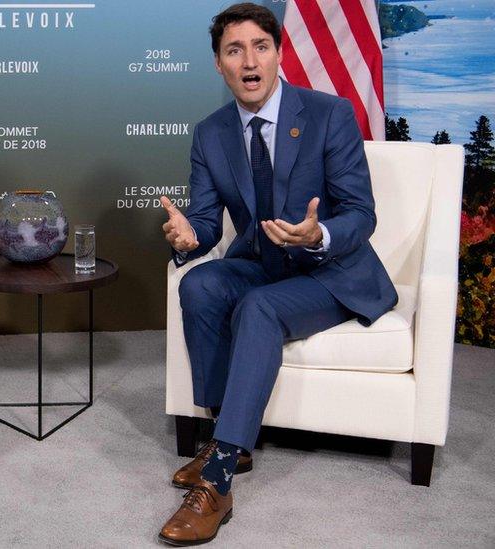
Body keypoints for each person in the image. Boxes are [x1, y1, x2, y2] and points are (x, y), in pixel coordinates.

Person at [157, 3, 397, 545]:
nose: (249, 61)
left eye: (260, 47)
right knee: (199, 282)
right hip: (262, 264)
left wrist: (319, 235)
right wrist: (189, 236)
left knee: (258, 307)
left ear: (279, 54)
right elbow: (201, 216)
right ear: (218, 65)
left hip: (330, 272)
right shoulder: (210, 133)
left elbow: (361, 213)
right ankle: (231, 443)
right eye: (233, 50)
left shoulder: (329, 113)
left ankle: (216, 482)